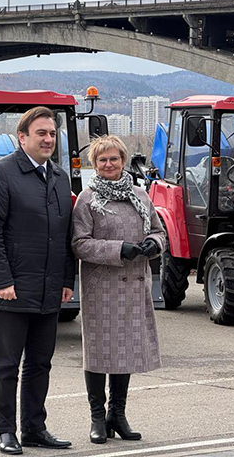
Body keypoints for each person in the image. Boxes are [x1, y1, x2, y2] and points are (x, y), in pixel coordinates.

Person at [0, 106, 75, 454]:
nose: (48, 139)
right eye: (41, 133)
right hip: (11, 290)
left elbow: (65, 235)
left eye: (52, 134)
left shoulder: (60, 177)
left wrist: (67, 279)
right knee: (6, 365)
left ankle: (35, 428)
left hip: (48, 288)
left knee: (40, 364)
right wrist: (3, 280)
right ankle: (5, 431)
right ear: (22, 137)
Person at [71, 135, 166, 444]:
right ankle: (97, 417)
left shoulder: (141, 194)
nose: (108, 164)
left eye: (113, 159)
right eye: (102, 160)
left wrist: (154, 244)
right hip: (102, 285)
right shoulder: (87, 199)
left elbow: (158, 230)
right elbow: (79, 243)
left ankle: (118, 414)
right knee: (99, 351)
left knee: (124, 349)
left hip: (135, 283)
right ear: (94, 165)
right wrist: (118, 249)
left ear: (123, 161)